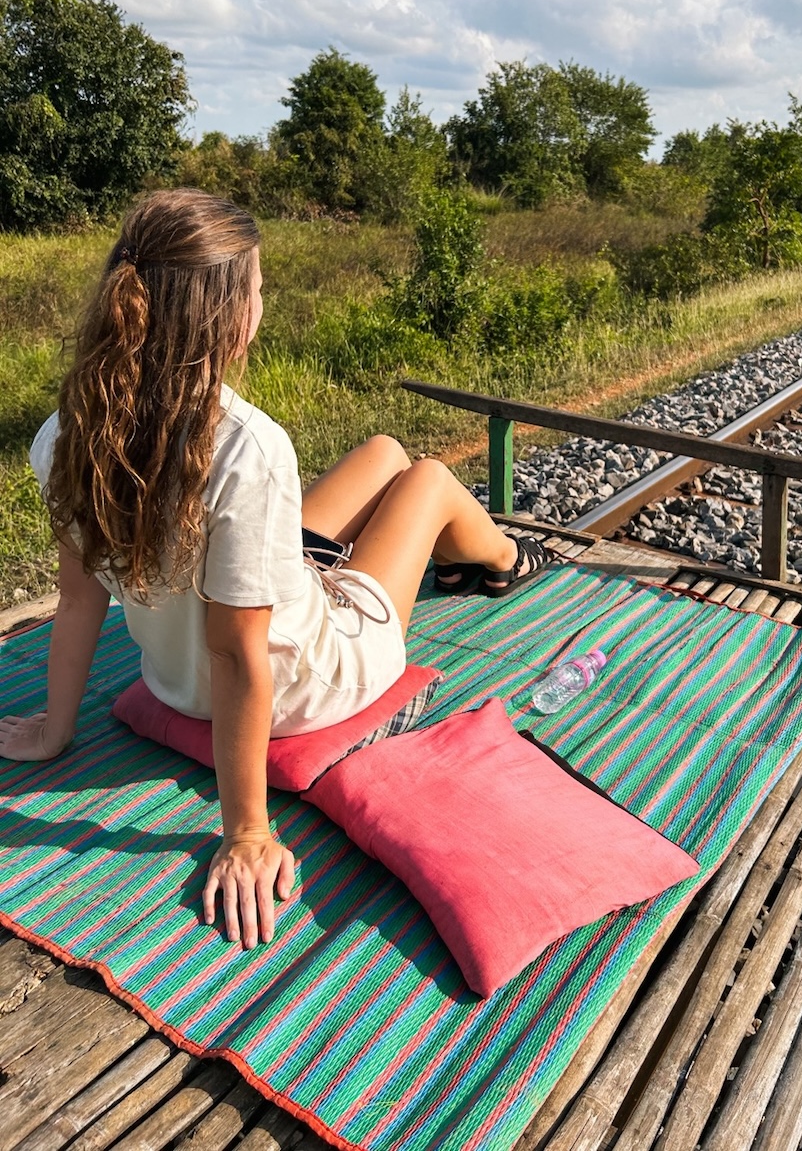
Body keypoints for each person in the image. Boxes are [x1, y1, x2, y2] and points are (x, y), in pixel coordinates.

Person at [0, 188, 555, 950]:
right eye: (259, 288)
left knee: (383, 453)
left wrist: (55, 730)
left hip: (173, 679)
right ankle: (505, 558)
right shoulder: (249, 446)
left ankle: (471, 555)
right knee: (425, 477)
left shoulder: (68, 431)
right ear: (230, 317)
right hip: (314, 678)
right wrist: (248, 831)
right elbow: (237, 654)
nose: (265, 301)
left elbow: (76, 596)